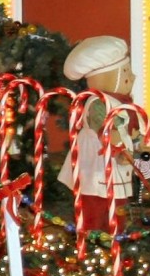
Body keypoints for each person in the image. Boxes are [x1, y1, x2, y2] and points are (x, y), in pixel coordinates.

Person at [57, 35, 142, 237]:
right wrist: (121, 149)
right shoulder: (98, 103)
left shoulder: (122, 103)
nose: (133, 77)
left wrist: (139, 144)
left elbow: (129, 132)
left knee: (117, 207)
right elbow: (106, 132)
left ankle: (114, 240)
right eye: (126, 72)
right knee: (95, 208)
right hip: (96, 168)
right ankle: (92, 243)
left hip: (116, 167)